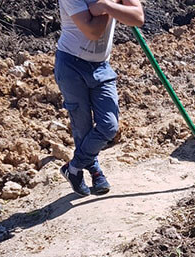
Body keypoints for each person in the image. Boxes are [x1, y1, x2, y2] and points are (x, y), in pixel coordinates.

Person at [54, 0, 144, 196]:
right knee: (82, 125)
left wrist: (104, 5)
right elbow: (93, 31)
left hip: (101, 66)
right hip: (71, 64)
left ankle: (74, 167)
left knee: (109, 125)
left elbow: (137, 18)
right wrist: (112, 5)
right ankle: (94, 170)